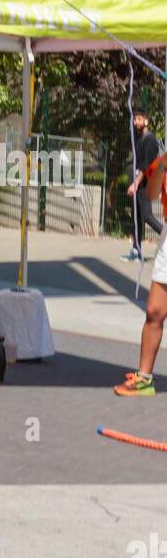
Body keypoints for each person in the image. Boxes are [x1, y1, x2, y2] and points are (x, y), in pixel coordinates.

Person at [114, 149, 167, 396]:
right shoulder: (162, 162)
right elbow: (152, 194)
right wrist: (162, 167)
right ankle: (145, 378)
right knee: (154, 311)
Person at [121, 110, 163, 262]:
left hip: (145, 183)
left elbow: (147, 167)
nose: (135, 122)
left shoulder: (150, 140)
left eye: (139, 119)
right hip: (137, 181)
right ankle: (136, 251)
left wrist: (136, 184)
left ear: (146, 121)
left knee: (146, 216)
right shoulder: (138, 138)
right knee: (136, 217)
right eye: (134, 119)